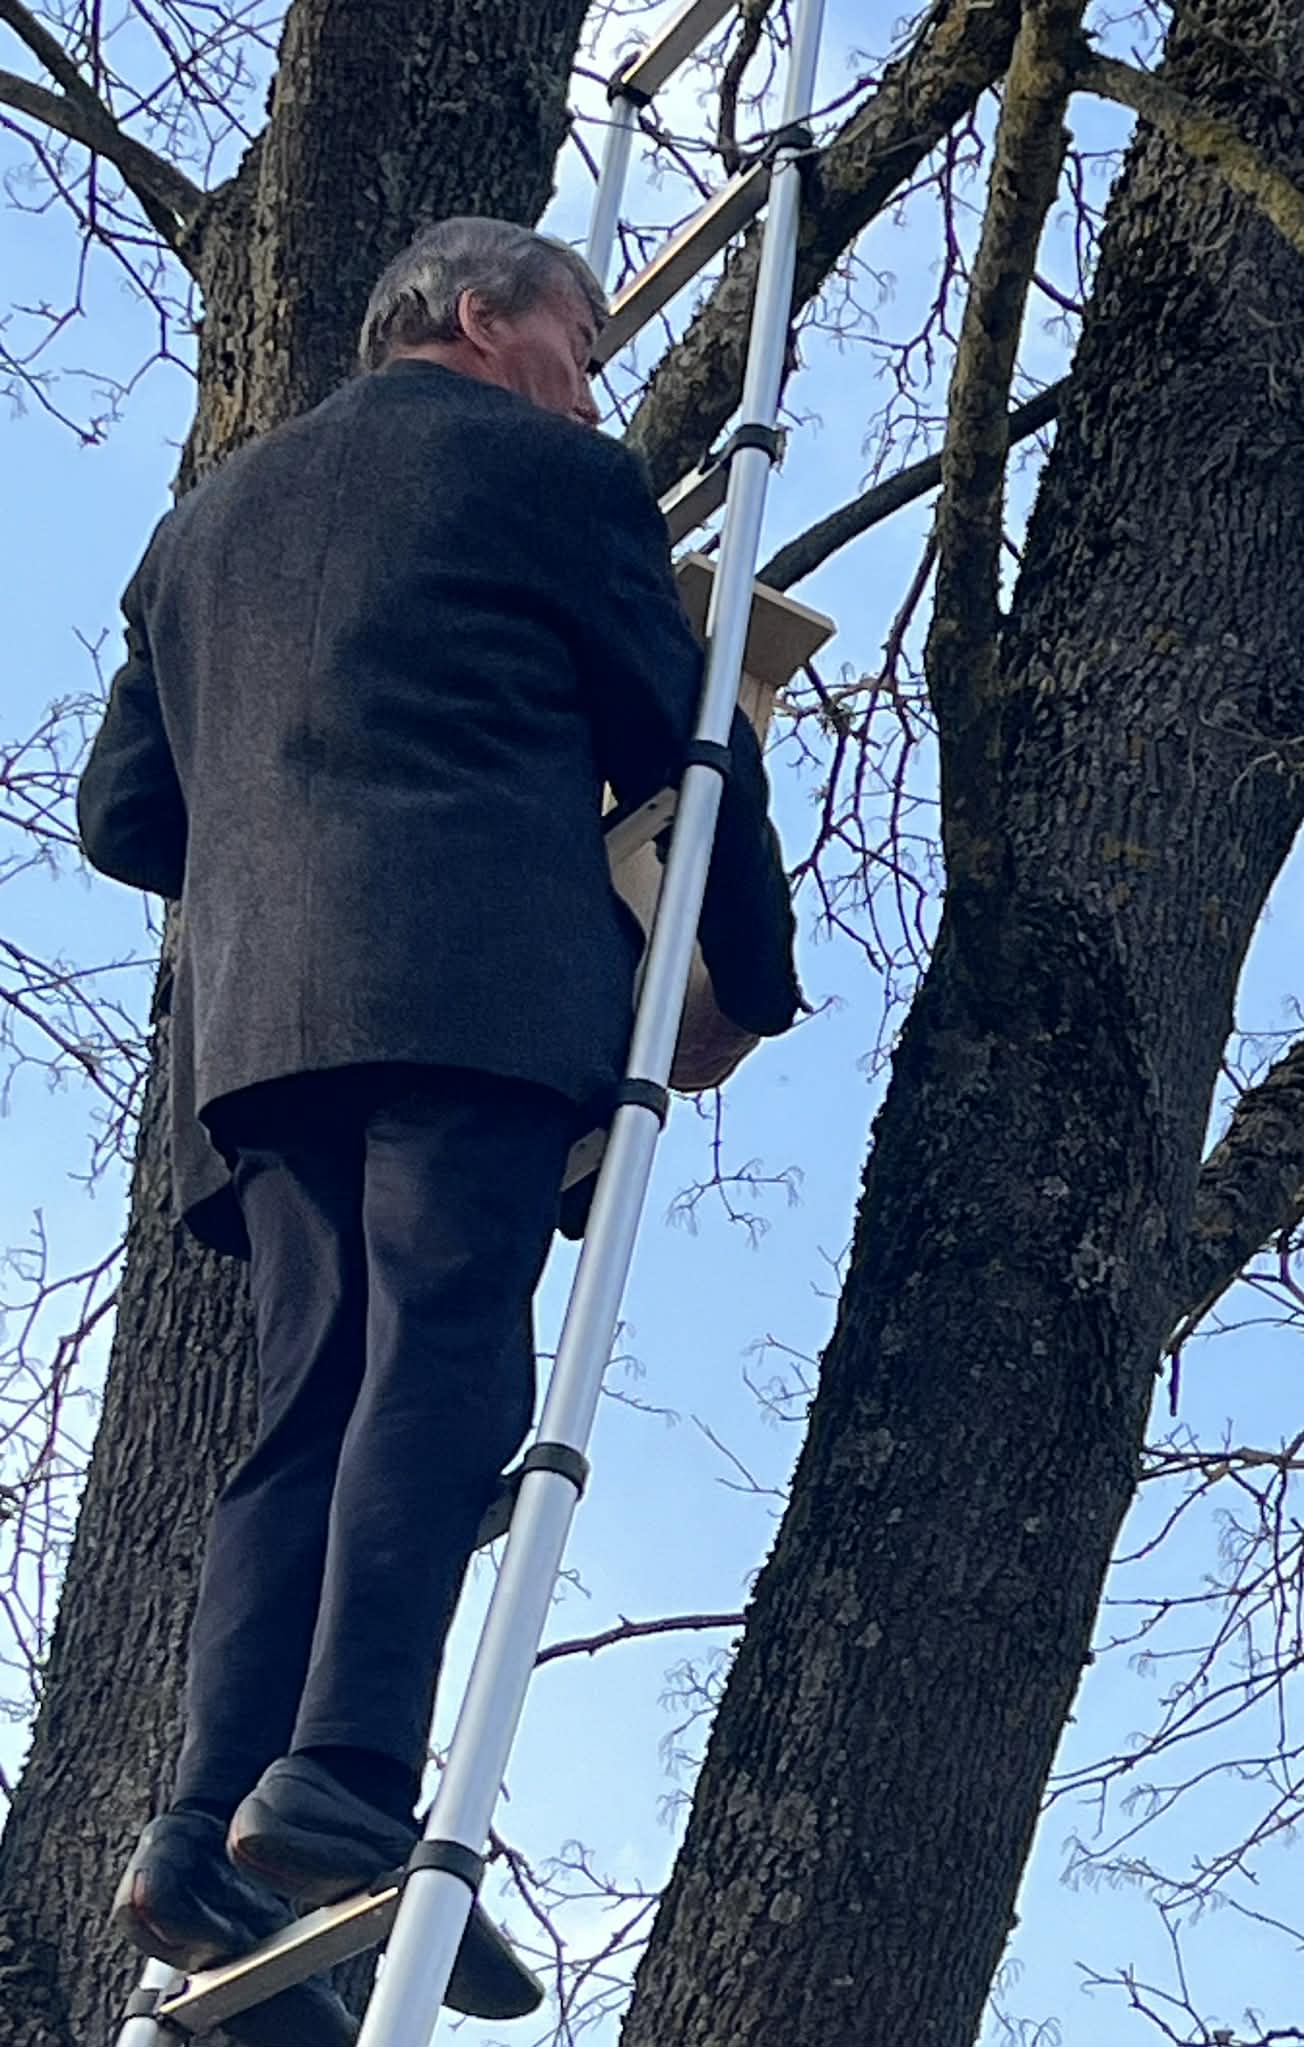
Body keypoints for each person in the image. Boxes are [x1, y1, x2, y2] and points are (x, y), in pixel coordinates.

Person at [80, 215, 801, 2040]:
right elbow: (687, 743)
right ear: (483, 316)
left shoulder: (197, 535)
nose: (592, 390)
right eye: (579, 346)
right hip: (467, 985)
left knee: (308, 1404)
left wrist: (286, 829)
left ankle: (202, 1837)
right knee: (446, 1371)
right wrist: (742, 979)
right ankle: (343, 1781)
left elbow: (125, 818)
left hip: (260, 1032)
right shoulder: (552, 477)